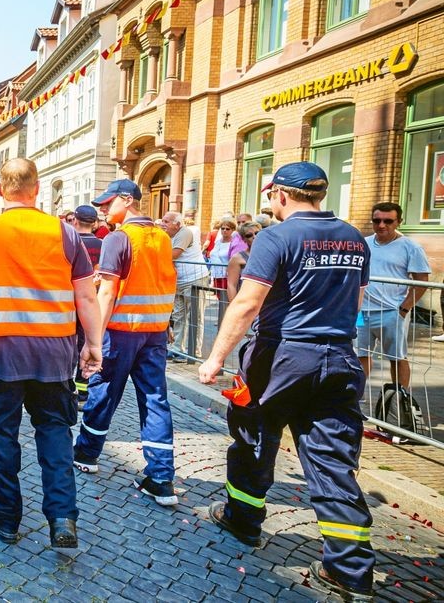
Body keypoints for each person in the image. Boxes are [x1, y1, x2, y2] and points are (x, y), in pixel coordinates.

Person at [197, 162, 375, 601]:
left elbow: (246, 303)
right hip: (338, 357)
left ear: (280, 195)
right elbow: (356, 299)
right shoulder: (354, 237)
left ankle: (243, 520)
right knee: (333, 461)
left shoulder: (276, 237)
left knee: (254, 437)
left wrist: (215, 358)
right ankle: (350, 570)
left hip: (281, 356)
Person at [0, 159, 102, 548]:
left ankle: (7, 517)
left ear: (0, 190)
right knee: (55, 433)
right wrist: (93, 344)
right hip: (54, 353)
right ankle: (62, 516)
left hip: (1, 353)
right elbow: (85, 295)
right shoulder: (64, 233)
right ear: (37, 189)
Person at [72, 179, 179, 506]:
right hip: (154, 332)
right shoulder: (161, 237)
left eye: (107, 204)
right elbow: (160, 282)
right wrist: (168, 323)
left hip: (120, 332)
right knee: (155, 398)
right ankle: (162, 478)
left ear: (125, 200)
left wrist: (92, 339)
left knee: (103, 390)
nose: (103, 210)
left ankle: (87, 454)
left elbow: (108, 291)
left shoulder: (119, 238)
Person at [358, 202, 429, 389]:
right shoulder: (363, 244)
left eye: (388, 221)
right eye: (377, 220)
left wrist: (404, 309)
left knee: (397, 357)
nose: (381, 225)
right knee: (361, 355)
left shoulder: (410, 247)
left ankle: (400, 400)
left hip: (392, 312)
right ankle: (356, 399)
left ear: (399, 222)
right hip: (361, 313)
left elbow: (422, 281)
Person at [161, 211, 209, 360]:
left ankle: (193, 351)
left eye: (166, 222)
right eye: (162, 221)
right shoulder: (167, 236)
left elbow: (173, 255)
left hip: (194, 279)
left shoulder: (185, 232)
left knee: (195, 316)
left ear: (177, 224)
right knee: (178, 315)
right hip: (179, 281)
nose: (163, 224)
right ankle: (177, 349)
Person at [71, 204, 103, 401]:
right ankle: (83, 388)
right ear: (95, 223)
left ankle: (64, 385)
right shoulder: (101, 244)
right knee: (85, 343)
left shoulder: (68, 242)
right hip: (92, 301)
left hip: (68, 300)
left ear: (75, 220)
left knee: (66, 342)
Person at [225, 222, 260, 302]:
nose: (254, 237)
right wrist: (234, 308)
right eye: (249, 235)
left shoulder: (270, 254)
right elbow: (231, 285)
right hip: (247, 301)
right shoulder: (237, 258)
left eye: (257, 233)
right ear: (244, 239)